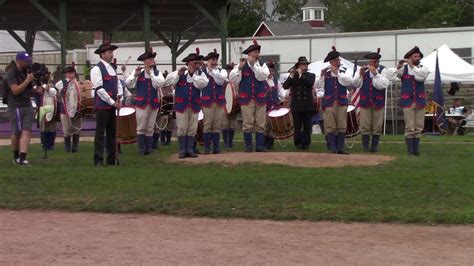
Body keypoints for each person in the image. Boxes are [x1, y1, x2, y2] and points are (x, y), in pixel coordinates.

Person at [164, 48, 209, 158]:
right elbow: (168, 82)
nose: (197, 65)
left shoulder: (200, 74)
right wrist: (178, 75)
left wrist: (193, 75)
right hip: (181, 105)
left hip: (194, 105)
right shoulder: (180, 72)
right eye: (195, 63)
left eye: (198, 63)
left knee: (192, 128)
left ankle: (190, 149)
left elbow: (202, 85)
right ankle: (182, 150)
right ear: (189, 63)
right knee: (182, 128)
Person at [229, 39, 269, 152]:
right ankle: (248, 146)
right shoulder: (241, 65)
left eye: (257, 52)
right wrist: (239, 68)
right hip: (246, 98)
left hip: (260, 98)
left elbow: (262, 76)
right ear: (249, 54)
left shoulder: (262, 65)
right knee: (248, 123)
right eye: (255, 53)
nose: (257, 55)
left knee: (261, 123)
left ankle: (260, 146)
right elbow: (233, 79)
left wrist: (254, 66)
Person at [353, 48, 395, 152]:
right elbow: (355, 84)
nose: (374, 63)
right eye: (372, 61)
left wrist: (376, 74)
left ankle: (374, 146)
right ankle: (365, 146)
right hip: (365, 101)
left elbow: (383, 85)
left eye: (375, 62)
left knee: (377, 126)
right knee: (365, 125)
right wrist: (360, 74)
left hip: (378, 101)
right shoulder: (364, 71)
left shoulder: (383, 70)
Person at [317, 47, 356, 154]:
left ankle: (340, 148)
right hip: (329, 102)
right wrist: (321, 76)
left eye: (338, 60)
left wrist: (338, 73)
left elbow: (349, 81)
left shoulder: (344, 71)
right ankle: (332, 148)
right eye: (335, 61)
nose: (338, 62)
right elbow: (318, 86)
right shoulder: (326, 73)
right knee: (330, 125)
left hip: (341, 101)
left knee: (342, 125)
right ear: (331, 62)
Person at [125, 48, 165, 155]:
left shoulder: (157, 73)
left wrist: (151, 74)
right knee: (141, 126)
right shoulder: (138, 72)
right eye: (150, 59)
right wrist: (134, 75)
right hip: (142, 103)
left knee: (150, 126)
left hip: (153, 103)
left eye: (152, 59)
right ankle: (141, 148)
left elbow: (159, 84)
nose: (152, 61)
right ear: (144, 61)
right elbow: (129, 84)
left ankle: (149, 148)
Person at [91, 42, 123, 166]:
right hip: (102, 105)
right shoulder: (96, 69)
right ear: (102, 54)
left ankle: (112, 158)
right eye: (109, 52)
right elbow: (99, 89)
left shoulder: (113, 68)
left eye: (111, 52)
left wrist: (120, 96)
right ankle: (98, 159)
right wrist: (112, 102)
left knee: (112, 133)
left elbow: (118, 84)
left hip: (113, 105)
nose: (111, 54)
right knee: (100, 133)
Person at [397, 46, 429, 155]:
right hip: (407, 101)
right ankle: (411, 150)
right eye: (415, 56)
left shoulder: (423, 68)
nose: (417, 58)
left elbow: (421, 77)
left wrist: (412, 66)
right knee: (410, 126)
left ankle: (416, 150)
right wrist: (398, 66)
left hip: (420, 101)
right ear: (410, 57)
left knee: (419, 126)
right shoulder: (404, 68)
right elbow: (393, 77)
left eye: (418, 56)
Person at [5, 52, 35, 165]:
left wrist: (36, 89)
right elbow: (15, 90)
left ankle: (23, 158)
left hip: (27, 104)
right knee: (17, 132)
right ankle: (15, 156)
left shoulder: (26, 72)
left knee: (27, 131)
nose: (27, 63)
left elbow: (29, 88)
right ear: (18, 61)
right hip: (15, 106)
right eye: (25, 61)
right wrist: (27, 80)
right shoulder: (11, 73)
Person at [283, 56, 316, 150]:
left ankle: (306, 143)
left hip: (307, 105)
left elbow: (309, 83)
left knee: (307, 126)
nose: (304, 66)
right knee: (297, 126)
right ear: (298, 66)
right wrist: (291, 76)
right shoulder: (294, 76)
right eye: (302, 64)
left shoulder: (311, 75)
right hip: (296, 105)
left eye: (305, 64)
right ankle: (297, 142)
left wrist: (301, 75)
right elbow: (285, 86)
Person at [201, 49, 227, 154]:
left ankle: (216, 147)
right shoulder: (201, 72)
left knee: (217, 125)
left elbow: (220, 81)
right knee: (207, 125)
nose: (214, 62)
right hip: (207, 101)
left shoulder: (222, 71)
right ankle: (207, 147)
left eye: (216, 60)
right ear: (207, 61)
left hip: (219, 101)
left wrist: (212, 72)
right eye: (212, 60)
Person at [55, 66, 83, 153]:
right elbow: (55, 92)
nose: (71, 75)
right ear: (66, 74)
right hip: (65, 110)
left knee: (77, 129)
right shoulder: (61, 83)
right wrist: (59, 97)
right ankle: (67, 148)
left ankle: (75, 148)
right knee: (67, 129)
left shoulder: (78, 83)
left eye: (73, 73)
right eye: (70, 73)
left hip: (77, 109)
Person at [34, 69, 57, 151]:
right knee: (43, 128)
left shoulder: (52, 87)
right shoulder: (37, 87)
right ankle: (44, 145)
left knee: (52, 128)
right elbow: (36, 96)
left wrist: (48, 89)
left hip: (51, 108)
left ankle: (51, 145)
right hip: (42, 109)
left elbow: (54, 92)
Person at [221, 63, 237, 148]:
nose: (229, 72)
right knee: (224, 123)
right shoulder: (222, 80)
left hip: (234, 105)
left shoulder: (235, 80)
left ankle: (230, 141)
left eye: (230, 70)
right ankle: (225, 141)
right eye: (227, 70)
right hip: (224, 104)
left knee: (232, 124)